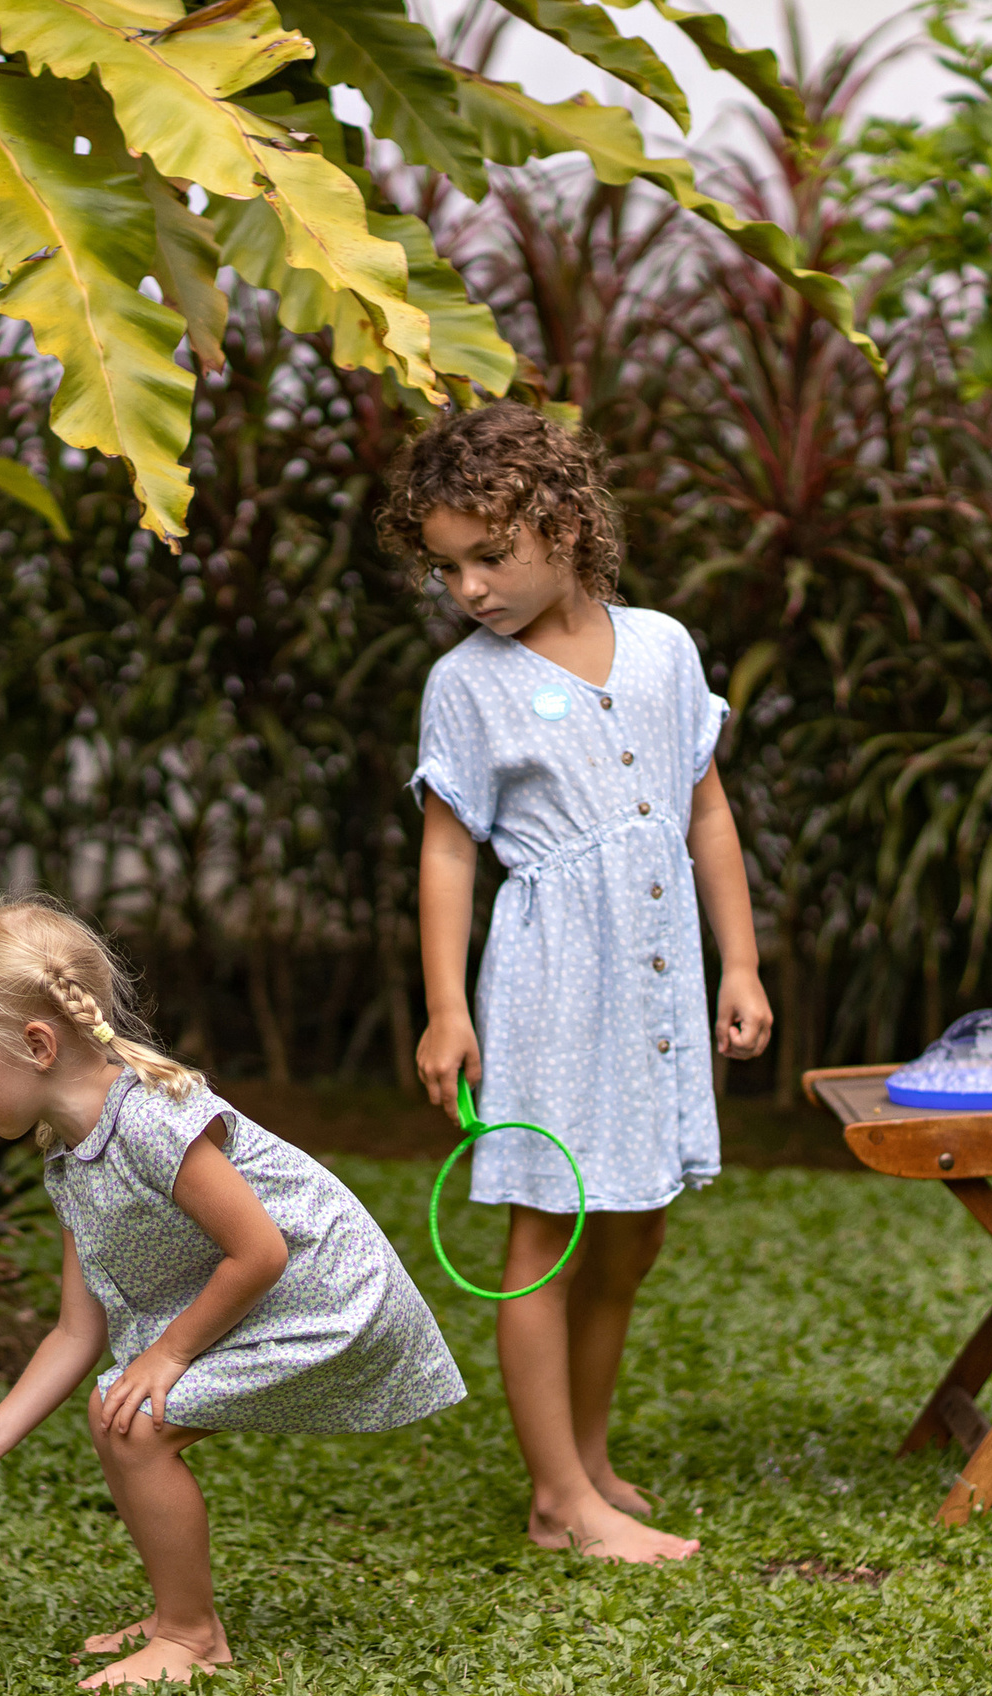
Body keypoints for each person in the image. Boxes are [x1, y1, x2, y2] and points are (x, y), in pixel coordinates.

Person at [387, 401, 773, 1566]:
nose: (467, 587)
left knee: (633, 1229)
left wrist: (741, 960)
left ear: (563, 525)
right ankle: (557, 1499)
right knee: (547, 1233)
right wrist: (446, 1008)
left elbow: (707, 812)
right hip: (550, 980)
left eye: (489, 556)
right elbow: (447, 851)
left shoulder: (662, 649)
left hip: (654, 981)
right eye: (446, 567)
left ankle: (588, 1461)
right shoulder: (466, 684)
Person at [0, 897, 467, 1690]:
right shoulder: (68, 1157)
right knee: (118, 1412)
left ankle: (191, 1636)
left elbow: (261, 1250)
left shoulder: (149, 1121)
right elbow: (76, 1332)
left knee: (135, 1421)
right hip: (273, 1295)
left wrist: (168, 1355)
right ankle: (177, 1612)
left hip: (329, 1294)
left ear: (36, 1044)